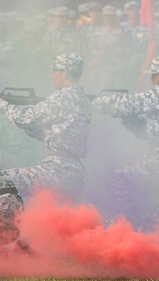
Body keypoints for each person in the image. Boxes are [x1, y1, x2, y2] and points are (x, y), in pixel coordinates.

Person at [90, 55, 159, 226]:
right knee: (158, 217)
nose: (151, 78)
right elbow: (146, 132)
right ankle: (150, 240)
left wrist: (98, 102)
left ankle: (130, 223)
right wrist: (129, 119)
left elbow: (131, 103)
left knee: (118, 178)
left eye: (154, 74)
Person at [0, 53, 92, 201]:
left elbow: (27, 117)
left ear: (65, 73)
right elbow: (53, 132)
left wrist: (3, 105)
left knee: (2, 182)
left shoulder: (64, 96)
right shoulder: (83, 100)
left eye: (55, 71)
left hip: (57, 170)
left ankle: (10, 224)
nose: (52, 76)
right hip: (74, 173)